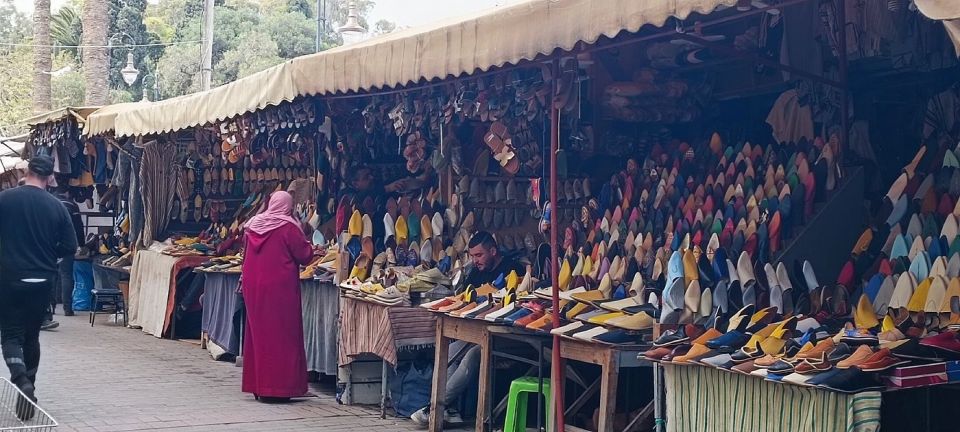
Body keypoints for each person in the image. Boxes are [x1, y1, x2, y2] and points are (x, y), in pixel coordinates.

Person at [410, 231, 522, 428]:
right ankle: (447, 409)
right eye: (472, 256)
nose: (475, 260)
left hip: (507, 337)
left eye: (479, 255)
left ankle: (434, 408)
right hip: (479, 331)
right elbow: (466, 296)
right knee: (450, 351)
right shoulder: (476, 271)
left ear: (493, 251)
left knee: (472, 356)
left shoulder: (513, 269)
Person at [0, 155, 79, 417]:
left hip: (9, 278)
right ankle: (30, 386)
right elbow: (70, 247)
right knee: (31, 336)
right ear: (50, 177)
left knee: (11, 335)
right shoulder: (57, 207)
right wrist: (47, 253)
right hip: (43, 280)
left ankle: (21, 380)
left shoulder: (5, 199)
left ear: (27, 171)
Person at [240, 191, 314, 402]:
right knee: (282, 335)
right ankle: (278, 389)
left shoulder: (252, 225)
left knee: (258, 335)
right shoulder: (288, 227)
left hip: (253, 286)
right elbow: (305, 256)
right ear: (288, 206)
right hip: (279, 288)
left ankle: (258, 385)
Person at [46, 183, 84, 319]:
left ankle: (51, 307)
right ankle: (68, 309)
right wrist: (82, 244)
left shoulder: (48, 203)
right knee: (66, 275)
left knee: (52, 275)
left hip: (49, 245)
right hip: (67, 245)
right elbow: (79, 227)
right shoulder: (72, 206)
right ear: (68, 192)